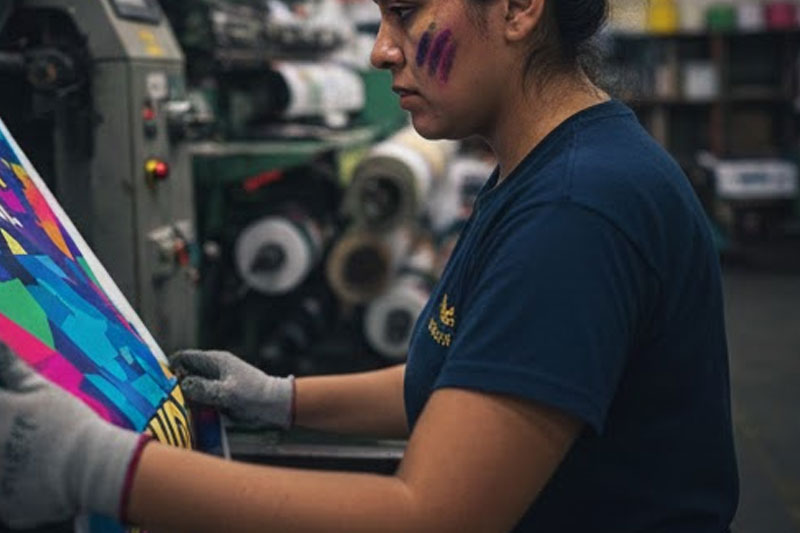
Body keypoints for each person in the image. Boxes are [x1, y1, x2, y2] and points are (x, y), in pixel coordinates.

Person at [0, 0, 739, 530]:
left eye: (407, 13)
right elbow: (472, 374)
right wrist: (281, 398)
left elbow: (431, 515)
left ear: (519, 9)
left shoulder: (575, 211)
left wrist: (92, 465)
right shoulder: (544, 170)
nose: (382, 50)